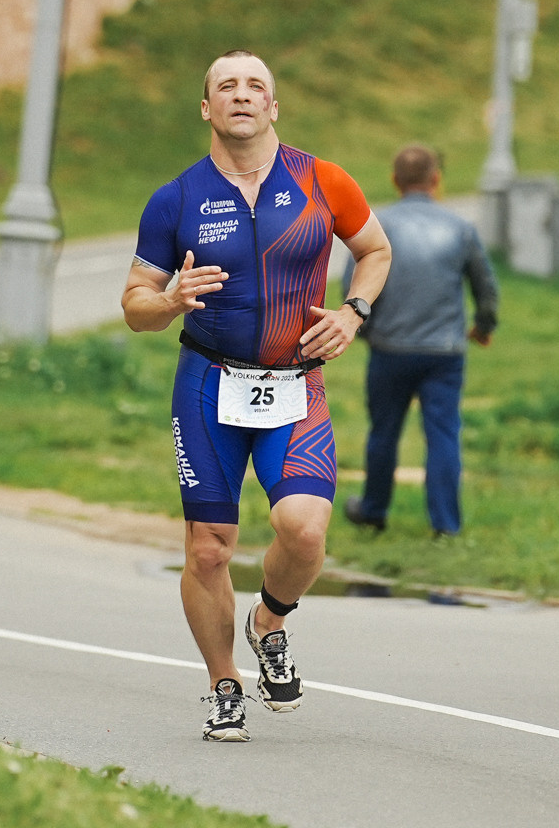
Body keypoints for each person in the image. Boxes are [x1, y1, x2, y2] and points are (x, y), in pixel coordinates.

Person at [122, 50, 392, 742]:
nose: (241, 95)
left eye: (255, 86)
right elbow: (134, 304)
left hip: (295, 382)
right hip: (208, 384)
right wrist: (170, 300)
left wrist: (352, 313)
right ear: (207, 110)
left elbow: (376, 250)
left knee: (303, 529)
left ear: (273, 106)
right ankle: (223, 683)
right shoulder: (176, 199)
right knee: (209, 550)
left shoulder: (322, 180)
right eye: (226, 87)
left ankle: (268, 620)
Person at [340, 145, 498, 540]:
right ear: (436, 180)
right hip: (444, 352)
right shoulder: (460, 228)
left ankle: (374, 511)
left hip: (390, 349)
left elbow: (353, 287)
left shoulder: (379, 226)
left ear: (395, 181)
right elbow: (486, 288)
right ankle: (445, 525)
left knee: (384, 431)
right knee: (443, 434)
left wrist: (366, 330)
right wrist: (482, 326)